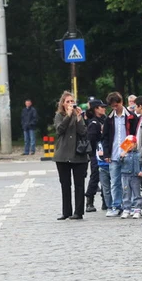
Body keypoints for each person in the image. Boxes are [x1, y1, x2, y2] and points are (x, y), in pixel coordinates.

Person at [53, 91, 89, 220]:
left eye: (71, 101)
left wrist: (79, 118)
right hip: (62, 155)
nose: (70, 104)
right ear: (62, 104)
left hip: (78, 154)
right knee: (65, 183)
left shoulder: (78, 115)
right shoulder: (59, 116)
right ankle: (66, 211)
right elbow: (59, 130)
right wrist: (68, 116)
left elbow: (83, 132)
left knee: (79, 184)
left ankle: (78, 212)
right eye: (67, 101)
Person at [102, 92, 139, 217]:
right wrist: (106, 154)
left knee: (130, 181)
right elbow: (105, 137)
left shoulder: (131, 117)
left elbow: (134, 135)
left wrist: (128, 150)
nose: (114, 108)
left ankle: (131, 206)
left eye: (116, 105)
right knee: (115, 182)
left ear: (121, 102)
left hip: (128, 155)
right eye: (112, 106)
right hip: (113, 154)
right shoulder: (109, 119)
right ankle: (116, 205)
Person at [85, 99, 107, 212]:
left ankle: (105, 201)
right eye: (101, 107)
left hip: (106, 152)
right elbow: (92, 140)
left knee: (107, 177)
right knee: (95, 177)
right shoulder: (94, 123)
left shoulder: (104, 119)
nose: (104, 109)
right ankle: (89, 201)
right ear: (96, 109)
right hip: (96, 154)